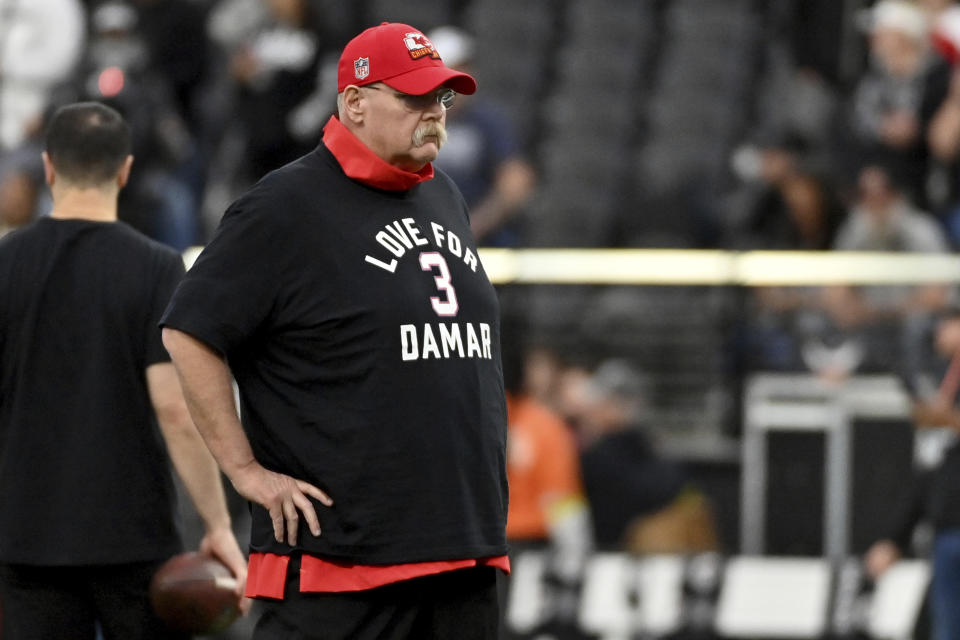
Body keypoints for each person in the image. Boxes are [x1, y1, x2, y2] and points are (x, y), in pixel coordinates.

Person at [160, 22, 510, 639]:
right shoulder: (284, 207)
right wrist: (243, 470)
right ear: (354, 101)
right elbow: (189, 330)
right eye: (414, 98)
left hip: (463, 552)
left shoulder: (445, 194)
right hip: (343, 567)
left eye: (443, 99)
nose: (435, 113)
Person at [0, 102, 248, 638]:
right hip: (132, 539)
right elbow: (176, 410)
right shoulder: (157, 266)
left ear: (47, 167)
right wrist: (217, 524)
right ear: (125, 169)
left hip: (24, 535)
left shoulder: (5, 261)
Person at [864, 307, 960, 640]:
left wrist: (946, 420)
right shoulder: (941, 379)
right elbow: (929, 476)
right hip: (947, 528)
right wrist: (895, 538)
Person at [425, 26, 536, 247]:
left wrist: (474, 226)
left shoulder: (488, 122)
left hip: (481, 244)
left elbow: (516, 182)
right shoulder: (412, 120)